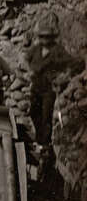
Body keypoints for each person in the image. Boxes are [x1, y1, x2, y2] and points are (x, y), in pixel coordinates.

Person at [23, 15, 79, 147]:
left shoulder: (57, 50)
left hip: (48, 88)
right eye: (42, 37)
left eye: (47, 37)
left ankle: (45, 144)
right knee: (34, 113)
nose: (44, 40)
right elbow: (25, 58)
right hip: (36, 86)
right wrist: (28, 71)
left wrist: (63, 76)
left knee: (46, 115)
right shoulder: (36, 49)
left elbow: (71, 63)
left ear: (51, 38)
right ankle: (39, 137)